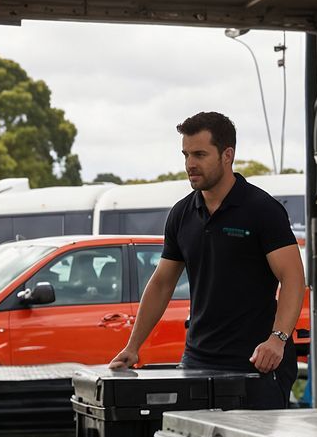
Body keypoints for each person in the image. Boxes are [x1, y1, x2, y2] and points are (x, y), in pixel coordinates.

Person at [109, 111, 305, 409]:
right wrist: (133, 346)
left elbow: (292, 279)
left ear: (227, 155)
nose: (190, 164)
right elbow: (162, 283)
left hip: (257, 362)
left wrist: (277, 339)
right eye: (186, 154)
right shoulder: (181, 214)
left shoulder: (262, 209)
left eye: (200, 154)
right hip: (198, 358)